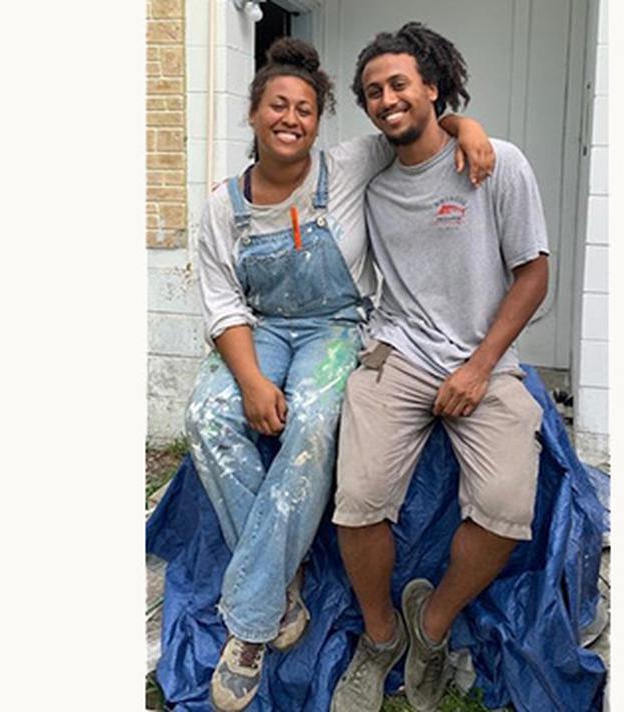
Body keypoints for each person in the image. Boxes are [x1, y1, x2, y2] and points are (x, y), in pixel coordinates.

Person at [185, 37, 495, 712]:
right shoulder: (220, 207)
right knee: (205, 417)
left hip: (335, 329)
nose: (290, 118)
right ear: (253, 113)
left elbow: (420, 124)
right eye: (277, 106)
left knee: (313, 421)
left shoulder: (347, 165)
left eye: (304, 108)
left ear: (319, 121)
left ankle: (249, 625)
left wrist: (469, 127)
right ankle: (281, 577)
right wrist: (248, 380)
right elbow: (221, 303)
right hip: (259, 329)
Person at [330, 23, 552, 712]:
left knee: (507, 507)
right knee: (359, 499)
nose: (386, 99)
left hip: (481, 359)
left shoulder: (496, 163)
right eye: (372, 91)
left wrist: (481, 367)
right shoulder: (366, 171)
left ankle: (431, 628)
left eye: (399, 84)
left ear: (432, 86)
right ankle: (379, 636)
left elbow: (534, 274)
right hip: (396, 350)